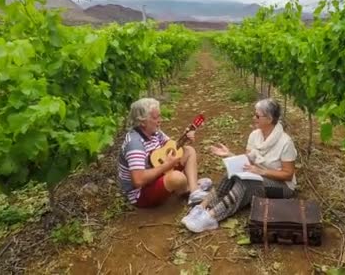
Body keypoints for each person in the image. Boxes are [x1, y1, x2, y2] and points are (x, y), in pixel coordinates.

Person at [182, 98, 298, 232]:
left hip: (281, 187)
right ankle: (202, 207)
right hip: (260, 175)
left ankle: (211, 216)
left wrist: (262, 172)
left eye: (257, 116)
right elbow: (247, 161)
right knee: (230, 174)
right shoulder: (255, 135)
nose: (254, 118)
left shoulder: (285, 142)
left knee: (247, 183)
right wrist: (230, 154)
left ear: (269, 119)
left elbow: (288, 175)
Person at [118, 98, 211, 208]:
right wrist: (166, 165)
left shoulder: (155, 132)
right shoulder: (135, 144)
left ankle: (194, 192)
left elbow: (170, 147)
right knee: (178, 177)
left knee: (189, 151)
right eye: (155, 117)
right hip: (141, 194)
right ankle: (187, 189)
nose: (160, 120)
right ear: (142, 121)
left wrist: (184, 139)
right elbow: (138, 180)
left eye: (160, 116)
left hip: (157, 175)